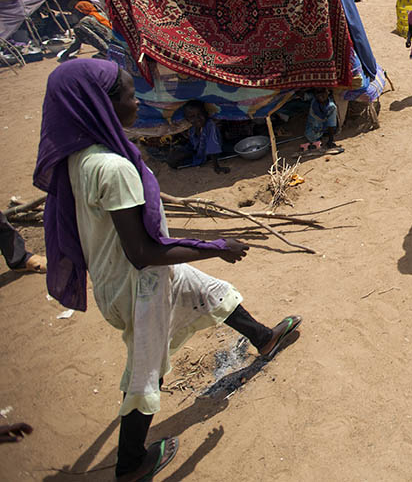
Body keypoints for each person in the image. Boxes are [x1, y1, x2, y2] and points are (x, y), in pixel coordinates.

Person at [34, 60, 301, 481]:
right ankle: (130, 463)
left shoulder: (82, 157)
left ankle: (263, 336)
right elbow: (142, 252)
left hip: (120, 278)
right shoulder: (114, 169)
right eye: (126, 94)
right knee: (146, 370)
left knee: (207, 290)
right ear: (101, 105)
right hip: (137, 285)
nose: (135, 100)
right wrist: (214, 246)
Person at [167, 101, 229, 174]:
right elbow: (193, 143)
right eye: (192, 116)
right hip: (198, 150)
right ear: (187, 119)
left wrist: (216, 167)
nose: (197, 119)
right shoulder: (192, 127)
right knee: (171, 160)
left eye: (200, 114)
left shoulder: (210, 126)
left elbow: (213, 146)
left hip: (210, 153)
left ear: (205, 114)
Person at [300, 88, 344, 154]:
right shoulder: (314, 100)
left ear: (328, 92)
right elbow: (302, 95)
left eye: (323, 92)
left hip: (322, 129)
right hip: (311, 131)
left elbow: (331, 124)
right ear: (314, 94)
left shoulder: (331, 107)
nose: (320, 95)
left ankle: (319, 140)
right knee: (311, 135)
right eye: (318, 93)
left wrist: (330, 141)